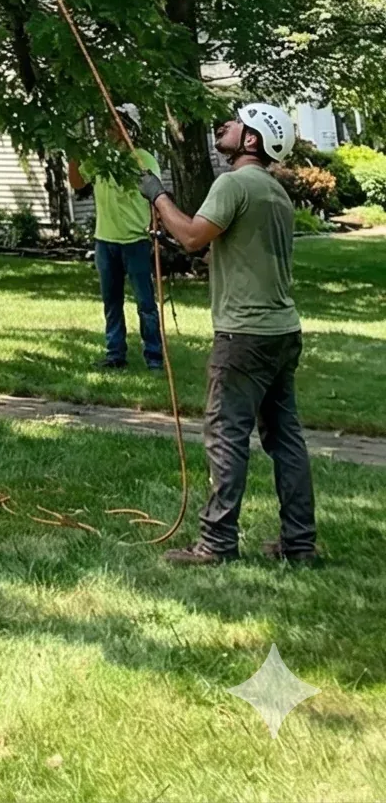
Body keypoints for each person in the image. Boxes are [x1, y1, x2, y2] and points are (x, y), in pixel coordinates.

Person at [141, 101, 318, 567]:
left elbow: (196, 235)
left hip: (244, 335)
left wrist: (159, 197)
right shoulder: (273, 193)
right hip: (282, 331)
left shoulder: (234, 182)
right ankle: (300, 543)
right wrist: (179, 246)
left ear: (252, 140)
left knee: (225, 436)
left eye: (237, 123)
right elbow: (224, 250)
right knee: (286, 439)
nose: (226, 126)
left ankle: (216, 544)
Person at [68, 104, 167, 371]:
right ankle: (115, 355)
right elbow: (77, 183)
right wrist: (73, 154)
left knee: (145, 304)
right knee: (112, 302)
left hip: (135, 240)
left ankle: (155, 357)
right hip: (105, 240)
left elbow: (156, 196)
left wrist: (157, 230)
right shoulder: (100, 159)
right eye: (109, 123)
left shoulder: (142, 158)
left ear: (130, 129)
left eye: (117, 123)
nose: (110, 129)